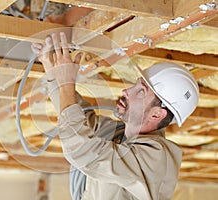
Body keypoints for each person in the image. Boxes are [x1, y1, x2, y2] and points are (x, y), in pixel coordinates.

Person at [31, 32, 199, 200]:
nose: (126, 91)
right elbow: (80, 118)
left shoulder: (154, 159)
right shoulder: (121, 136)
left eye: (141, 91)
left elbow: (84, 151)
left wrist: (66, 83)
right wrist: (53, 72)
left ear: (157, 114)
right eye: (135, 85)